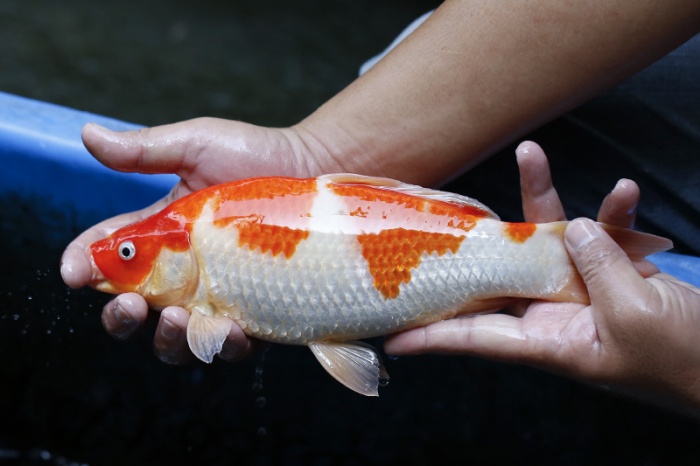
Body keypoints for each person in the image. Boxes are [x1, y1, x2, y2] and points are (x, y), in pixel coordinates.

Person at [61, 0, 700, 410]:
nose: (120, 258)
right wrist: (318, 150)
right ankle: (540, 266)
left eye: (127, 253)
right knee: (401, 56)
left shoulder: (204, 265)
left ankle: (541, 267)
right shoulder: (200, 244)